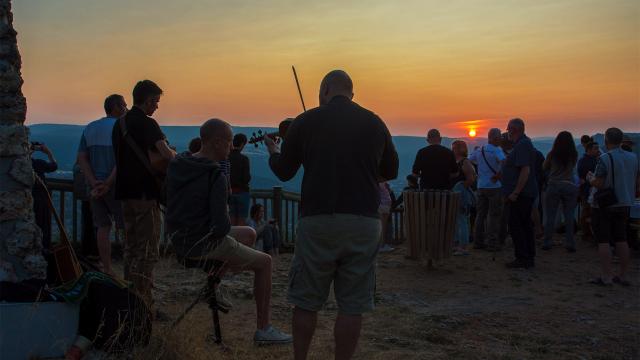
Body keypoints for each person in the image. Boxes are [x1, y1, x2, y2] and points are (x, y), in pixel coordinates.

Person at [266, 70, 398, 360]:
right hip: (363, 220)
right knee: (352, 305)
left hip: (318, 219)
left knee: (306, 301)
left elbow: (284, 171)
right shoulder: (374, 122)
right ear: (352, 93)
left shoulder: (306, 121)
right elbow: (391, 171)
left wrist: (274, 150)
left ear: (324, 90)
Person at [166, 118, 292, 344]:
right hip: (204, 242)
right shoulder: (216, 175)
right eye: (229, 142)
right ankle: (264, 329)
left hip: (181, 239)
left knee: (249, 234)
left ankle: (215, 283)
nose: (231, 147)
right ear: (215, 143)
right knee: (265, 263)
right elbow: (221, 227)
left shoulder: (179, 163)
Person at [112, 80, 176, 315]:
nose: (156, 107)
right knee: (148, 250)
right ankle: (144, 305)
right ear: (148, 100)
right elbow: (166, 155)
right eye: (156, 102)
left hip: (124, 193)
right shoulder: (148, 124)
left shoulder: (119, 124)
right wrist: (178, 156)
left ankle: (130, 299)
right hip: (145, 194)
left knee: (131, 248)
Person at [76, 94, 127, 276]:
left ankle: (107, 268)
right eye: (124, 105)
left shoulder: (90, 127)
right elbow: (123, 160)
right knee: (125, 227)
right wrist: (108, 183)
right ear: (117, 107)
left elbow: (82, 158)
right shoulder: (121, 128)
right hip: (116, 185)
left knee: (102, 227)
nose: (126, 109)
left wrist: (94, 182)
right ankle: (129, 268)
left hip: (95, 187)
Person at [588, 128, 639, 286]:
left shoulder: (605, 158)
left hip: (605, 204)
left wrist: (590, 178)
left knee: (603, 240)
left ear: (606, 140)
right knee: (621, 239)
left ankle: (607, 276)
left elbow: (600, 183)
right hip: (625, 202)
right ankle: (623, 275)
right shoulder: (633, 157)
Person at [502, 118, 538, 269]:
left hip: (521, 194)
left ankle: (522, 258)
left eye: (508, 128)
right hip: (525, 193)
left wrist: (516, 192)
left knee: (517, 225)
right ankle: (528, 256)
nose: (507, 131)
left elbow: (525, 170)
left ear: (513, 129)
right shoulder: (523, 144)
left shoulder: (522, 145)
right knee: (525, 225)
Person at [541, 131, 579, 252]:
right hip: (569, 185)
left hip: (554, 185)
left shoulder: (552, 154)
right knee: (569, 215)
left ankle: (547, 242)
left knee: (550, 215)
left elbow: (544, 167)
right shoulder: (574, 154)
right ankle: (570, 243)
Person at [468, 128, 505, 251]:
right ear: (494, 138)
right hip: (494, 187)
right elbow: (504, 162)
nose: (501, 139)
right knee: (493, 215)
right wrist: (499, 174)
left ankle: (478, 242)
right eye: (499, 137)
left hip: (481, 186)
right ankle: (492, 243)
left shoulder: (480, 150)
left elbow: (469, 160)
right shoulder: (497, 150)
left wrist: (477, 173)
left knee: (480, 215)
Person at [451, 140, 477, 255]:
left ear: (460, 149)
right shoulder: (457, 162)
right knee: (457, 220)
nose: (452, 150)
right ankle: (457, 245)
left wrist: (461, 187)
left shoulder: (465, 162)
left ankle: (463, 247)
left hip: (461, 194)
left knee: (462, 220)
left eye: (454, 148)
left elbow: (471, 178)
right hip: (456, 194)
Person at [31, 142, 58, 252]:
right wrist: (48, 152)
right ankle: (44, 250)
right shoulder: (37, 164)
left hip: (28, 202)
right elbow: (54, 166)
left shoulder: (20, 164)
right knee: (43, 227)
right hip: (41, 201)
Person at [577, 142, 600, 242]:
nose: (598, 150)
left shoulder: (594, 159)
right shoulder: (584, 161)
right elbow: (583, 177)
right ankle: (586, 233)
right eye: (595, 148)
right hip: (587, 190)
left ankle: (590, 232)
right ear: (589, 150)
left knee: (590, 212)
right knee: (586, 211)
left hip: (593, 190)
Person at [229, 133, 252, 226]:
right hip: (242, 192)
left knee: (231, 220)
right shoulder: (244, 159)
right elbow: (246, 178)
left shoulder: (226, 157)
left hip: (229, 193)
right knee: (241, 221)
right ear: (242, 144)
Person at [378, 181, 394, 253]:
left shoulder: (376, 182)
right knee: (384, 226)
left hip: (381, 205)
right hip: (387, 204)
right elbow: (390, 191)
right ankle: (383, 245)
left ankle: (381, 245)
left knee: (381, 227)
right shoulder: (385, 183)